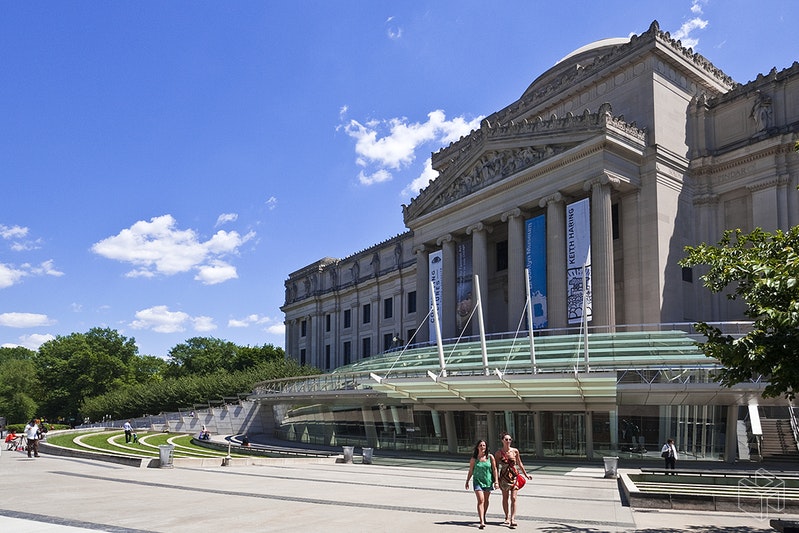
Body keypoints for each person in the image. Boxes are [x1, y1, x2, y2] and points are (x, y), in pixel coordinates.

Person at [495, 432, 532, 528]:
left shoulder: (515, 451)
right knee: (505, 498)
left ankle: (513, 518)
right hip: (504, 477)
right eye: (506, 439)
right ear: (502, 440)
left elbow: (519, 463)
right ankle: (506, 516)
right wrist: (496, 480)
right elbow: (495, 467)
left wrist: (526, 474)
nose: (508, 441)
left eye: (510, 439)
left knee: (514, 498)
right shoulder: (498, 453)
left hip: (514, 476)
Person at [465, 439, 499, 529]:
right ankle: (481, 521)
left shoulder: (490, 457)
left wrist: (496, 481)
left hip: (488, 481)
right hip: (477, 481)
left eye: (484, 445)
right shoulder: (474, 459)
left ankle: (483, 515)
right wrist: (467, 481)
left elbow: (494, 469)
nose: (482, 447)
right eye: (480, 445)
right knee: (481, 500)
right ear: (477, 447)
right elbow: (471, 471)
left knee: (486, 500)